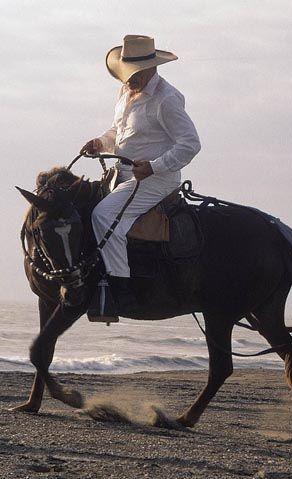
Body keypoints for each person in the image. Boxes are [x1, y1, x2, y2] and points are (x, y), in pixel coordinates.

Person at [82, 35, 201, 317]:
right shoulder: (125, 93)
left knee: (103, 215)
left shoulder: (167, 99)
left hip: (156, 180)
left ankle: (119, 289)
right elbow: (119, 132)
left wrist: (154, 167)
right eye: (125, 74)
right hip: (122, 175)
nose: (127, 80)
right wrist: (100, 142)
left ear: (151, 69)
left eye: (133, 75)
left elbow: (190, 144)